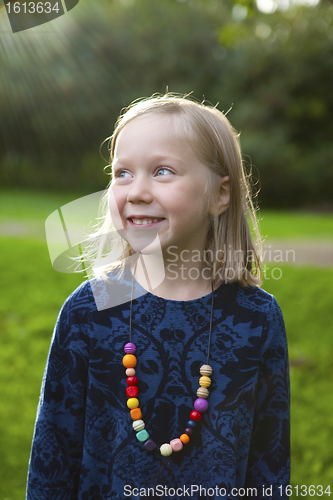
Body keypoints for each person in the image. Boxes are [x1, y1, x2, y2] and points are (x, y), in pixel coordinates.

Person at [26, 94, 290, 500]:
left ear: (220, 195)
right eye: (122, 173)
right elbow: (52, 458)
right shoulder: (90, 308)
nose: (137, 191)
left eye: (162, 171)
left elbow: (269, 462)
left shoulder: (255, 317)